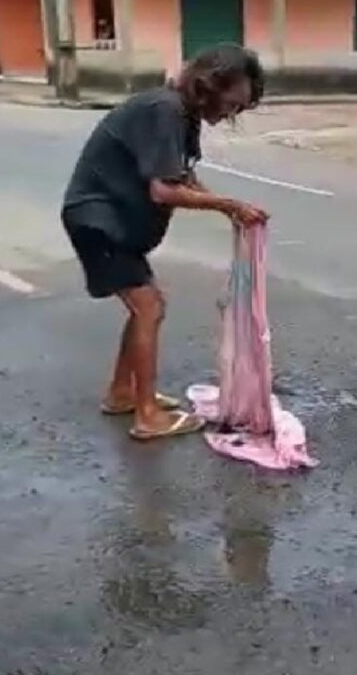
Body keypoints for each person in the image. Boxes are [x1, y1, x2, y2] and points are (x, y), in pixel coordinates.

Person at [62, 43, 269, 441]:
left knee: (147, 306)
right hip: (99, 221)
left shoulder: (183, 115)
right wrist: (228, 205)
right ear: (210, 85)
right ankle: (147, 416)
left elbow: (183, 177)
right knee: (149, 307)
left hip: (114, 223)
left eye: (239, 109)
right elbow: (164, 190)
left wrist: (230, 209)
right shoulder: (165, 110)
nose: (231, 114)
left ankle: (122, 393)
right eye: (232, 104)